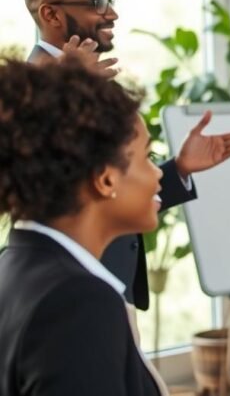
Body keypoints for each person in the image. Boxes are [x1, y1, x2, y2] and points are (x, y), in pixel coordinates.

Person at [22, 0, 230, 311]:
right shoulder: (25, 91)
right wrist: (68, 87)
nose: (112, 14)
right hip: (68, 294)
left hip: (112, 287)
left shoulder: (90, 77)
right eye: (97, 3)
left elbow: (108, 187)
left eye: (111, 1)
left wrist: (179, 170)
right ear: (51, 15)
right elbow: (40, 183)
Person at [0, 60, 166, 395]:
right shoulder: (79, 303)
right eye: (147, 158)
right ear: (105, 178)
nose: (158, 173)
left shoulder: (12, 262)